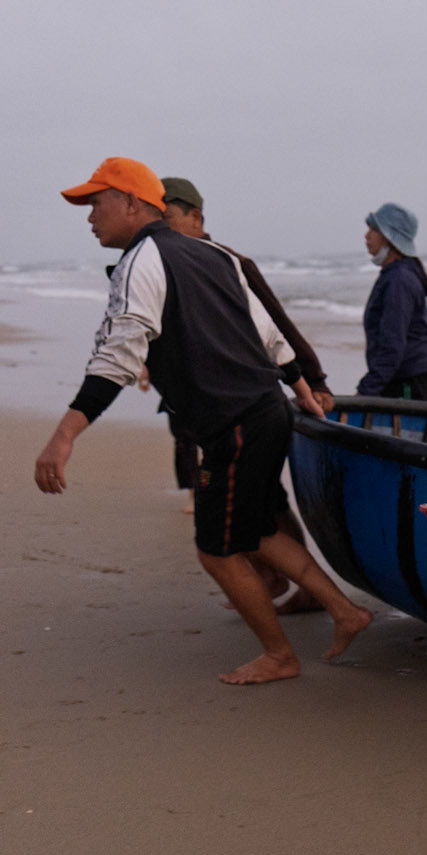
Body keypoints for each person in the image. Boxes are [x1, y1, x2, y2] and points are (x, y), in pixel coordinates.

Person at [33, 157, 371, 685]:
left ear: (131, 202)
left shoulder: (140, 261)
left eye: (96, 203)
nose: (90, 217)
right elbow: (268, 332)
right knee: (255, 531)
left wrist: (64, 435)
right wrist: (299, 385)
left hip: (232, 424)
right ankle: (346, 613)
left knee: (216, 550)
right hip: (264, 411)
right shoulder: (215, 254)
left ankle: (280, 656)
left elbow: (118, 356)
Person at [160, 177, 333, 612]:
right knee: (262, 499)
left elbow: (277, 324)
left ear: (196, 217)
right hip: (215, 407)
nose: (159, 228)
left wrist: (314, 381)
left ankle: (299, 588)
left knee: (261, 501)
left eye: (167, 218)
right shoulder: (166, 262)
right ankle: (275, 581)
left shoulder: (226, 262)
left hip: (247, 406)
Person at [359, 203, 427, 400]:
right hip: (397, 380)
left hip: (409, 385)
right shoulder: (394, 274)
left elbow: (392, 345)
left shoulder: (399, 280)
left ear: (390, 238)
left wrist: (366, 391)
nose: (366, 236)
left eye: (374, 230)